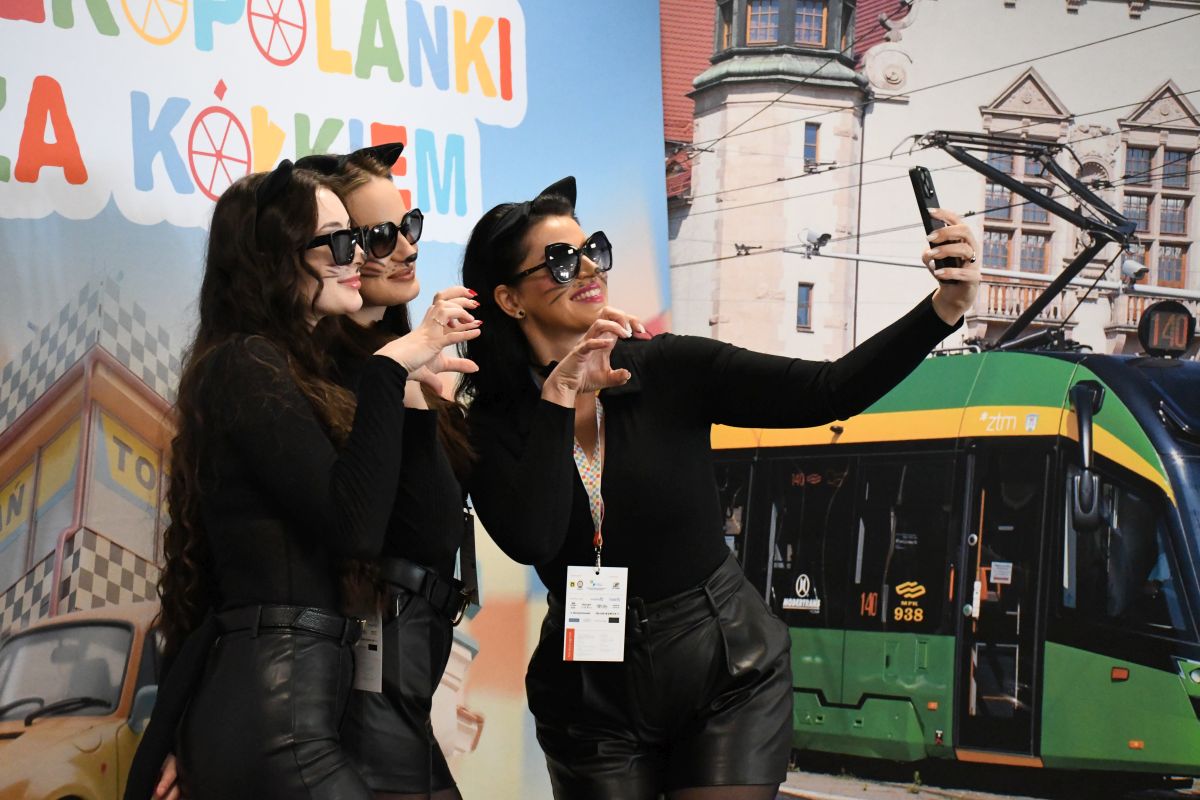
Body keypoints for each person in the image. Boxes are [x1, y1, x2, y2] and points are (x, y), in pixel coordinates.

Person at [459, 177, 980, 799]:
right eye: (561, 260)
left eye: (592, 250)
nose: (589, 269)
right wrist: (559, 397)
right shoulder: (491, 422)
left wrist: (942, 310)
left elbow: (827, 391)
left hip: (725, 665)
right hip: (589, 694)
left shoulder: (665, 367)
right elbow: (531, 539)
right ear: (510, 300)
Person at [125, 160, 480, 800]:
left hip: (305, 703)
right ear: (275, 257)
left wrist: (409, 393)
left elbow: (423, 533)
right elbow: (351, 530)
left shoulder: (289, 369)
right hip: (275, 713)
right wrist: (388, 371)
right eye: (338, 242)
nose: (359, 257)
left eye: (356, 237)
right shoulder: (244, 363)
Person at [299, 142, 476, 800]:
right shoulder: (328, 373)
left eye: (409, 225)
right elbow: (415, 527)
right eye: (379, 236)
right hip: (370, 654)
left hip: (409, 654)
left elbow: (442, 520)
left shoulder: (395, 360)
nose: (407, 248)